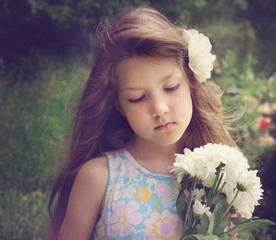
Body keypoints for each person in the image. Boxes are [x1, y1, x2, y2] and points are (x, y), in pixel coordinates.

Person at [46, 6, 237, 240]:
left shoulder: (216, 177)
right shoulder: (99, 178)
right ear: (119, 106)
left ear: (191, 82)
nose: (159, 108)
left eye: (170, 87)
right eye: (137, 98)